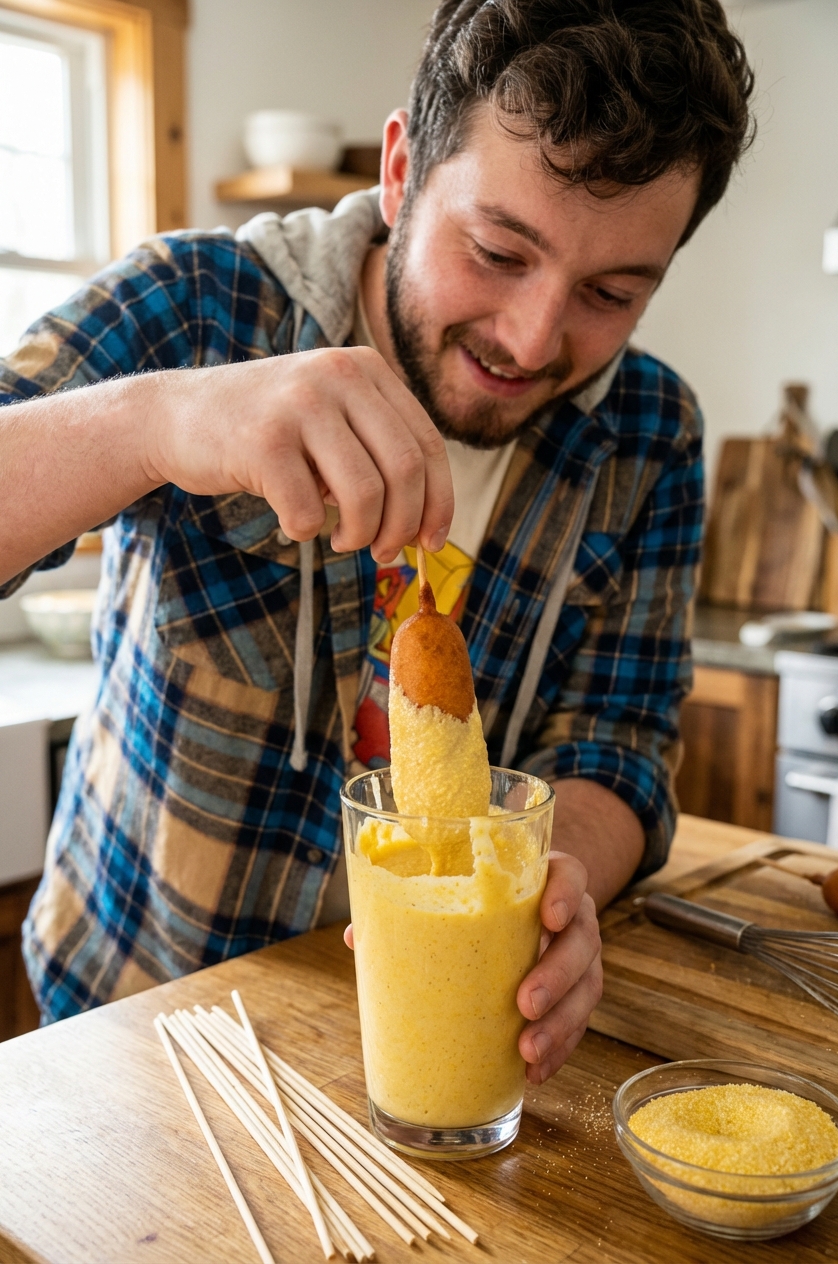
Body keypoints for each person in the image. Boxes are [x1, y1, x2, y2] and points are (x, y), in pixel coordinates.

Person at [0, 0, 753, 1083]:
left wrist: (563, 881)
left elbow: (618, 742)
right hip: (127, 1036)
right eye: (497, 251)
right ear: (400, 171)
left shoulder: (649, 436)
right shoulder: (196, 309)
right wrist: (155, 422)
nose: (533, 339)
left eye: (610, 292)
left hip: (450, 1053)